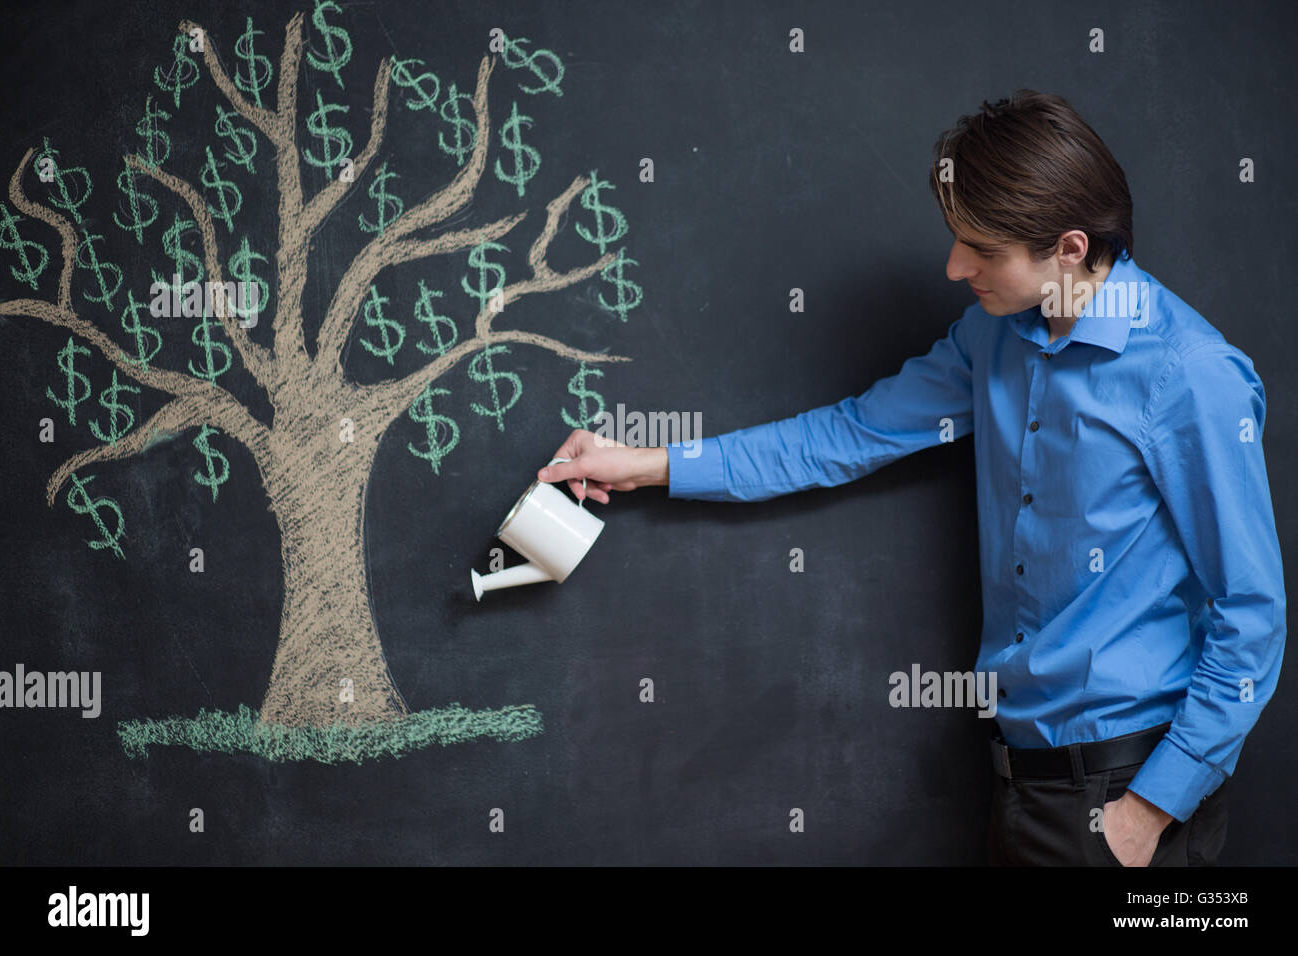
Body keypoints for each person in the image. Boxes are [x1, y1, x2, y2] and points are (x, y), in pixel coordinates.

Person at [536, 91, 1286, 867]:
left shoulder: (1191, 375)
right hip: (1017, 779)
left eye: (981, 249)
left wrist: (1152, 808)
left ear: (1069, 248)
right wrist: (649, 463)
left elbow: (1252, 613)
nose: (955, 267)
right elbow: (848, 435)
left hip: (1126, 793)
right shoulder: (993, 334)